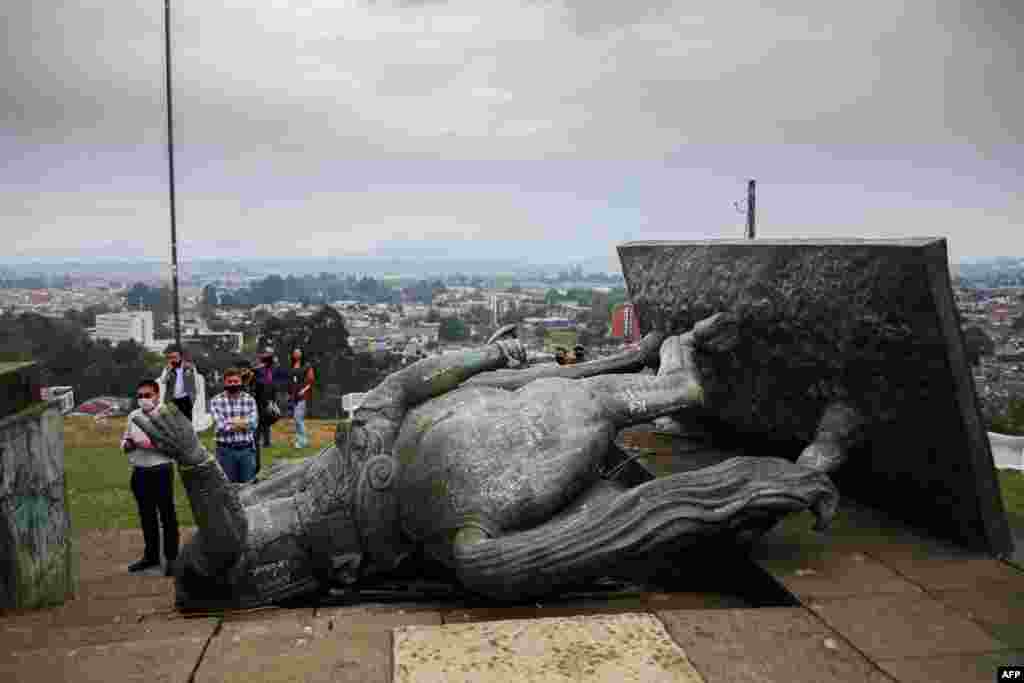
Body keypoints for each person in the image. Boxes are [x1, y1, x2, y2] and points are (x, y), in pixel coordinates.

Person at [121, 379, 179, 575]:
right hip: (140, 471)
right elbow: (126, 438)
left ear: (157, 395)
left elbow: (173, 444)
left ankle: (172, 558)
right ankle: (151, 556)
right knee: (147, 516)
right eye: (140, 396)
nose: (143, 399)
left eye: (147, 395)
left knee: (167, 515)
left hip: (161, 470)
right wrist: (127, 444)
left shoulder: (166, 414)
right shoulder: (133, 416)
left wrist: (149, 444)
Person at [209, 367, 259, 483]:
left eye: (236, 381)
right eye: (230, 382)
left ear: (241, 382)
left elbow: (253, 423)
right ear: (224, 383)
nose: (233, 384)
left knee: (249, 486)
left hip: (246, 450)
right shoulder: (216, 401)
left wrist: (231, 422)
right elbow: (221, 426)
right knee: (229, 487)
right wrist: (243, 423)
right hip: (225, 451)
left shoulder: (249, 400)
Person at [254, 348, 286, 450]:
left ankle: (266, 442)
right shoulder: (258, 370)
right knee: (259, 421)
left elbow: (277, 382)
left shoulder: (274, 369)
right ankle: (258, 440)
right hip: (259, 398)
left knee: (267, 420)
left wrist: (274, 400)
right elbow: (255, 382)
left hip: (270, 398)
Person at [159, 344, 197, 422]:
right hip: (171, 400)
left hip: (185, 399)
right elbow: (163, 381)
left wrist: (192, 398)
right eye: (170, 357)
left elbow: (194, 382)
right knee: (173, 422)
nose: (173, 359)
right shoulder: (167, 368)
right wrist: (169, 371)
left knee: (187, 421)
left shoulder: (189, 367)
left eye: (175, 357)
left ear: (180, 357)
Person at [288, 349, 315, 449]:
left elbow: (311, 381)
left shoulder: (307, 366)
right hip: (294, 396)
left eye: (298, 353)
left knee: (298, 418)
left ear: (302, 354)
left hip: (302, 396)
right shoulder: (293, 365)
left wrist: (303, 391)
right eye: (294, 352)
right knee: (296, 419)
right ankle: (299, 440)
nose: (295, 354)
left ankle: (303, 441)